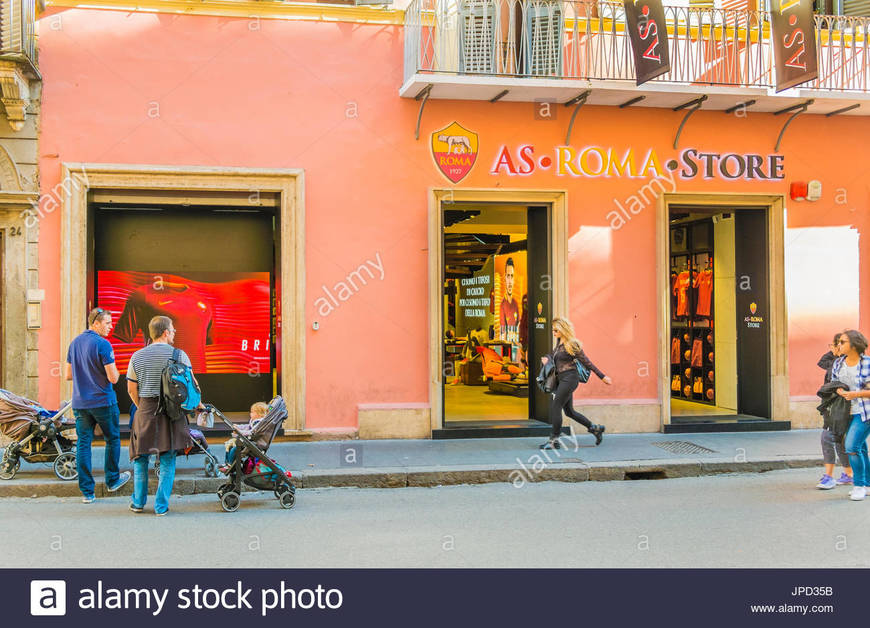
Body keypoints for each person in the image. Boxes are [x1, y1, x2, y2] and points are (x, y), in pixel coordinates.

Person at [126, 315, 198, 515]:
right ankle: (161, 506)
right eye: (173, 330)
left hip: (146, 410)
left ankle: (138, 503)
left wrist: (143, 407)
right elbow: (190, 386)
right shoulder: (179, 355)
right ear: (165, 332)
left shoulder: (137, 356)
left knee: (141, 458)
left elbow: (131, 389)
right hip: (172, 413)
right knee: (168, 458)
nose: (174, 333)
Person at [65, 307, 131, 503]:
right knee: (112, 439)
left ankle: (87, 492)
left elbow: (68, 375)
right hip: (103, 401)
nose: (111, 327)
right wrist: (117, 372)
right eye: (108, 323)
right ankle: (112, 480)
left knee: (83, 443)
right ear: (95, 323)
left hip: (80, 402)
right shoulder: (103, 344)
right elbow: (112, 377)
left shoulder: (74, 343)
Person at [539, 317, 612, 449]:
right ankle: (595, 428)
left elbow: (587, 362)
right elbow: (554, 357)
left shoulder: (572, 344)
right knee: (569, 412)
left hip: (570, 379)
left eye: (556, 330)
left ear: (563, 329)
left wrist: (602, 376)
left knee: (556, 407)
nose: (554, 332)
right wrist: (547, 359)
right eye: (553, 330)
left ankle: (554, 441)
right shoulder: (559, 343)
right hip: (562, 380)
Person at [830, 329, 870, 501]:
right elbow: (833, 384)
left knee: (852, 447)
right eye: (838, 342)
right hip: (845, 412)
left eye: (843, 342)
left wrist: (855, 394)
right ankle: (867, 484)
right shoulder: (838, 363)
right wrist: (838, 390)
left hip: (864, 412)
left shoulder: (867, 363)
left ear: (854, 345)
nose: (839, 345)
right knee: (860, 448)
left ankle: (859, 485)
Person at [816, 333, 852, 489]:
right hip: (833, 405)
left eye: (833, 345)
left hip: (840, 406)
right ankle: (849, 474)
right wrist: (834, 351)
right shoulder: (835, 361)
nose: (830, 349)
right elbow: (821, 362)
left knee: (828, 438)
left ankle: (829, 477)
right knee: (840, 441)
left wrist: (837, 353)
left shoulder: (842, 363)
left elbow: (834, 380)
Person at [221, 401, 268, 471]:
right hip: (250, 441)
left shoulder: (259, 423)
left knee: (235, 449)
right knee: (230, 446)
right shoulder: (254, 420)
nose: (250, 413)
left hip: (254, 443)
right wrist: (239, 427)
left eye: (252, 412)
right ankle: (227, 463)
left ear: (259, 414)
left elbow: (251, 432)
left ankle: (230, 465)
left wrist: (239, 432)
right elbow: (247, 427)